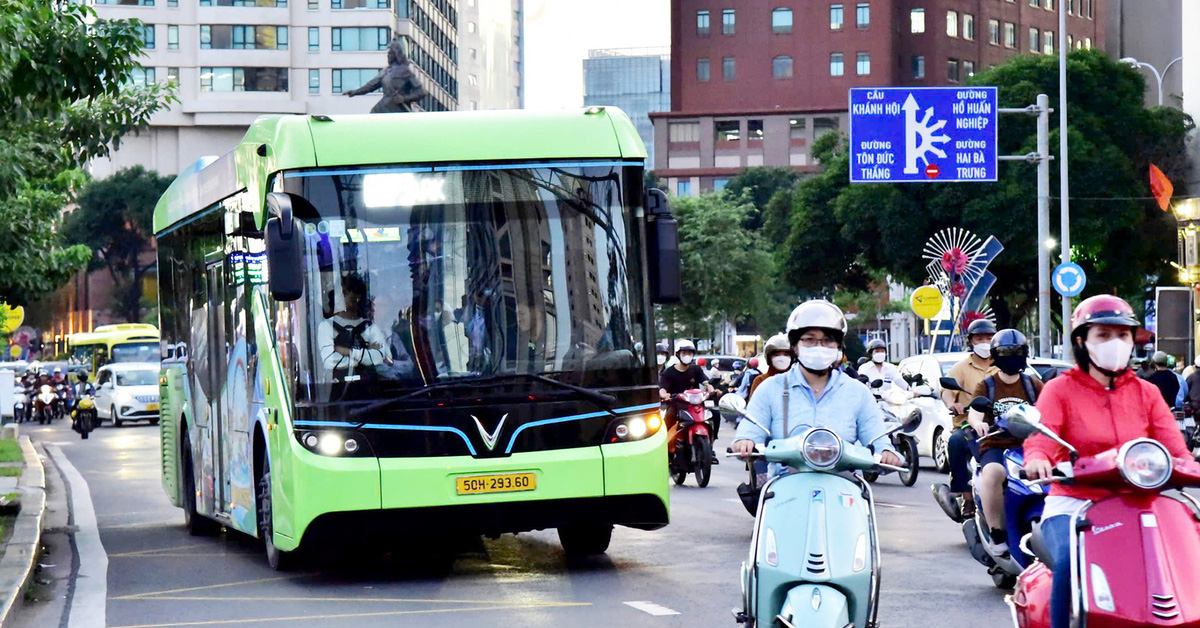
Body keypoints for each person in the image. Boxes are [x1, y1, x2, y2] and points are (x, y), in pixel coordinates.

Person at [1024, 295, 1189, 628]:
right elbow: (1040, 438)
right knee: (1073, 563)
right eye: (1103, 335)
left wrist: (1187, 466)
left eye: (1123, 334)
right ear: (1082, 341)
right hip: (1073, 505)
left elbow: (1177, 451)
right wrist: (1039, 458)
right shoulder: (1059, 390)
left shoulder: (1147, 393)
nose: (1115, 342)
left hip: (1141, 505)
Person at [730, 300, 902, 473]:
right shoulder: (769, 388)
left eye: (827, 340)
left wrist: (886, 453)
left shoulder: (858, 392)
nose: (819, 347)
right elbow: (751, 431)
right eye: (809, 340)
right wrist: (746, 441)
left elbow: (877, 439)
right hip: (784, 487)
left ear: (838, 347)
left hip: (844, 487)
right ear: (795, 346)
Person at [965, 329, 1042, 557]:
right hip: (996, 444)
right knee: (992, 473)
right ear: (996, 355)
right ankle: (997, 532)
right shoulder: (986, 385)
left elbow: (1052, 412)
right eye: (1006, 352)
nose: (1012, 356)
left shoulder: (1033, 385)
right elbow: (975, 413)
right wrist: (978, 423)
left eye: (1017, 352)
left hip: (1030, 446)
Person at [933, 318, 997, 521]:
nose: (985, 342)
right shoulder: (961, 367)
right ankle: (967, 497)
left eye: (989, 338)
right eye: (980, 338)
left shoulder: (1003, 365)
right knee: (956, 442)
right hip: (968, 423)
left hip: (999, 424)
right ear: (971, 341)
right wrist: (953, 403)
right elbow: (946, 391)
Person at [317, 273, 392, 379]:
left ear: (358, 297)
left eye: (345, 293)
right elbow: (329, 361)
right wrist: (364, 357)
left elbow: (378, 358)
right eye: (338, 293)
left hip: (371, 389)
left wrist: (345, 351)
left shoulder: (370, 327)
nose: (339, 297)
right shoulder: (326, 326)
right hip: (336, 390)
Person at [657, 340, 713, 430]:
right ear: (678, 354)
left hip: (696, 405)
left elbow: (706, 382)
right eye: (684, 353)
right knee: (668, 417)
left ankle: (711, 437)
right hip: (676, 404)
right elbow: (662, 388)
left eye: (689, 353)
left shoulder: (696, 369)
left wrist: (712, 390)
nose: (687, 356)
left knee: (715, 414)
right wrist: (664, 395)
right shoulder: (669, 372)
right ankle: (667, 441)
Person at [749, 333, 793, 398]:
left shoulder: (796, 381)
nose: (781, 358)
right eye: (776, 355)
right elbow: (754, 406)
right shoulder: (761, 380)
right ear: (769, 358)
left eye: (785, 355)